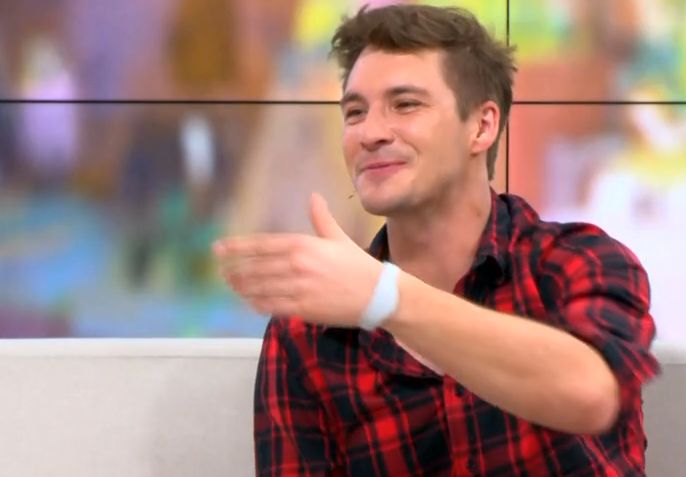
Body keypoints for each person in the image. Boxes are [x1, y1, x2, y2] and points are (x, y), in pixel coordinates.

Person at [213, 5, 659, 476]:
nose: (370, 133)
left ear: (482, 126)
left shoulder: (577, 261)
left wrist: (383, 298)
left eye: (405, 105)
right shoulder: (305, 333)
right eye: (355, 112)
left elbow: (590, 394)